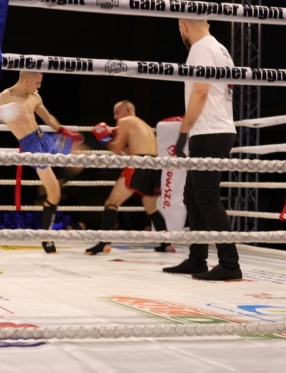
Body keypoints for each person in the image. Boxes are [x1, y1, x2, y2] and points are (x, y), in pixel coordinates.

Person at [162, 19, 241, 281]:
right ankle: (197, 259)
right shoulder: (221, 49)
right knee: (193, 197)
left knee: (206, 197)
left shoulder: (200, 48)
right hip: (216, 129)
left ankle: (230, 263)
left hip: (208, 131)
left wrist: (183, 132)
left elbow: (201, 92)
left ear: (184, 25)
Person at [0, 70, 88, 253]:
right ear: (27, 80)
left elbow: (48, 118)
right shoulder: (5, 97)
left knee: (84, 155)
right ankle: (46, 238)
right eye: (37, 82)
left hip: (44, 137)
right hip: (31, 145)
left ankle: (61, 180)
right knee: (54, 194)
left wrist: (63, 131)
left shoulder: (35, 96)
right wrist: (5, 112)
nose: (39, 86)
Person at [85, 100, 176, 255]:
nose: (115, 117)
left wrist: (104, 139)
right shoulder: (144, 125)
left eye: (117, 112)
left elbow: (116, 149)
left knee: (111, 202)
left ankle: (104, 243)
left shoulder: (125, 121)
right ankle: (167, 244)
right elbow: (128, 152)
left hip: (139, 164)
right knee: (151, 207)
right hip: (154, 165)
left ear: (127, 110)